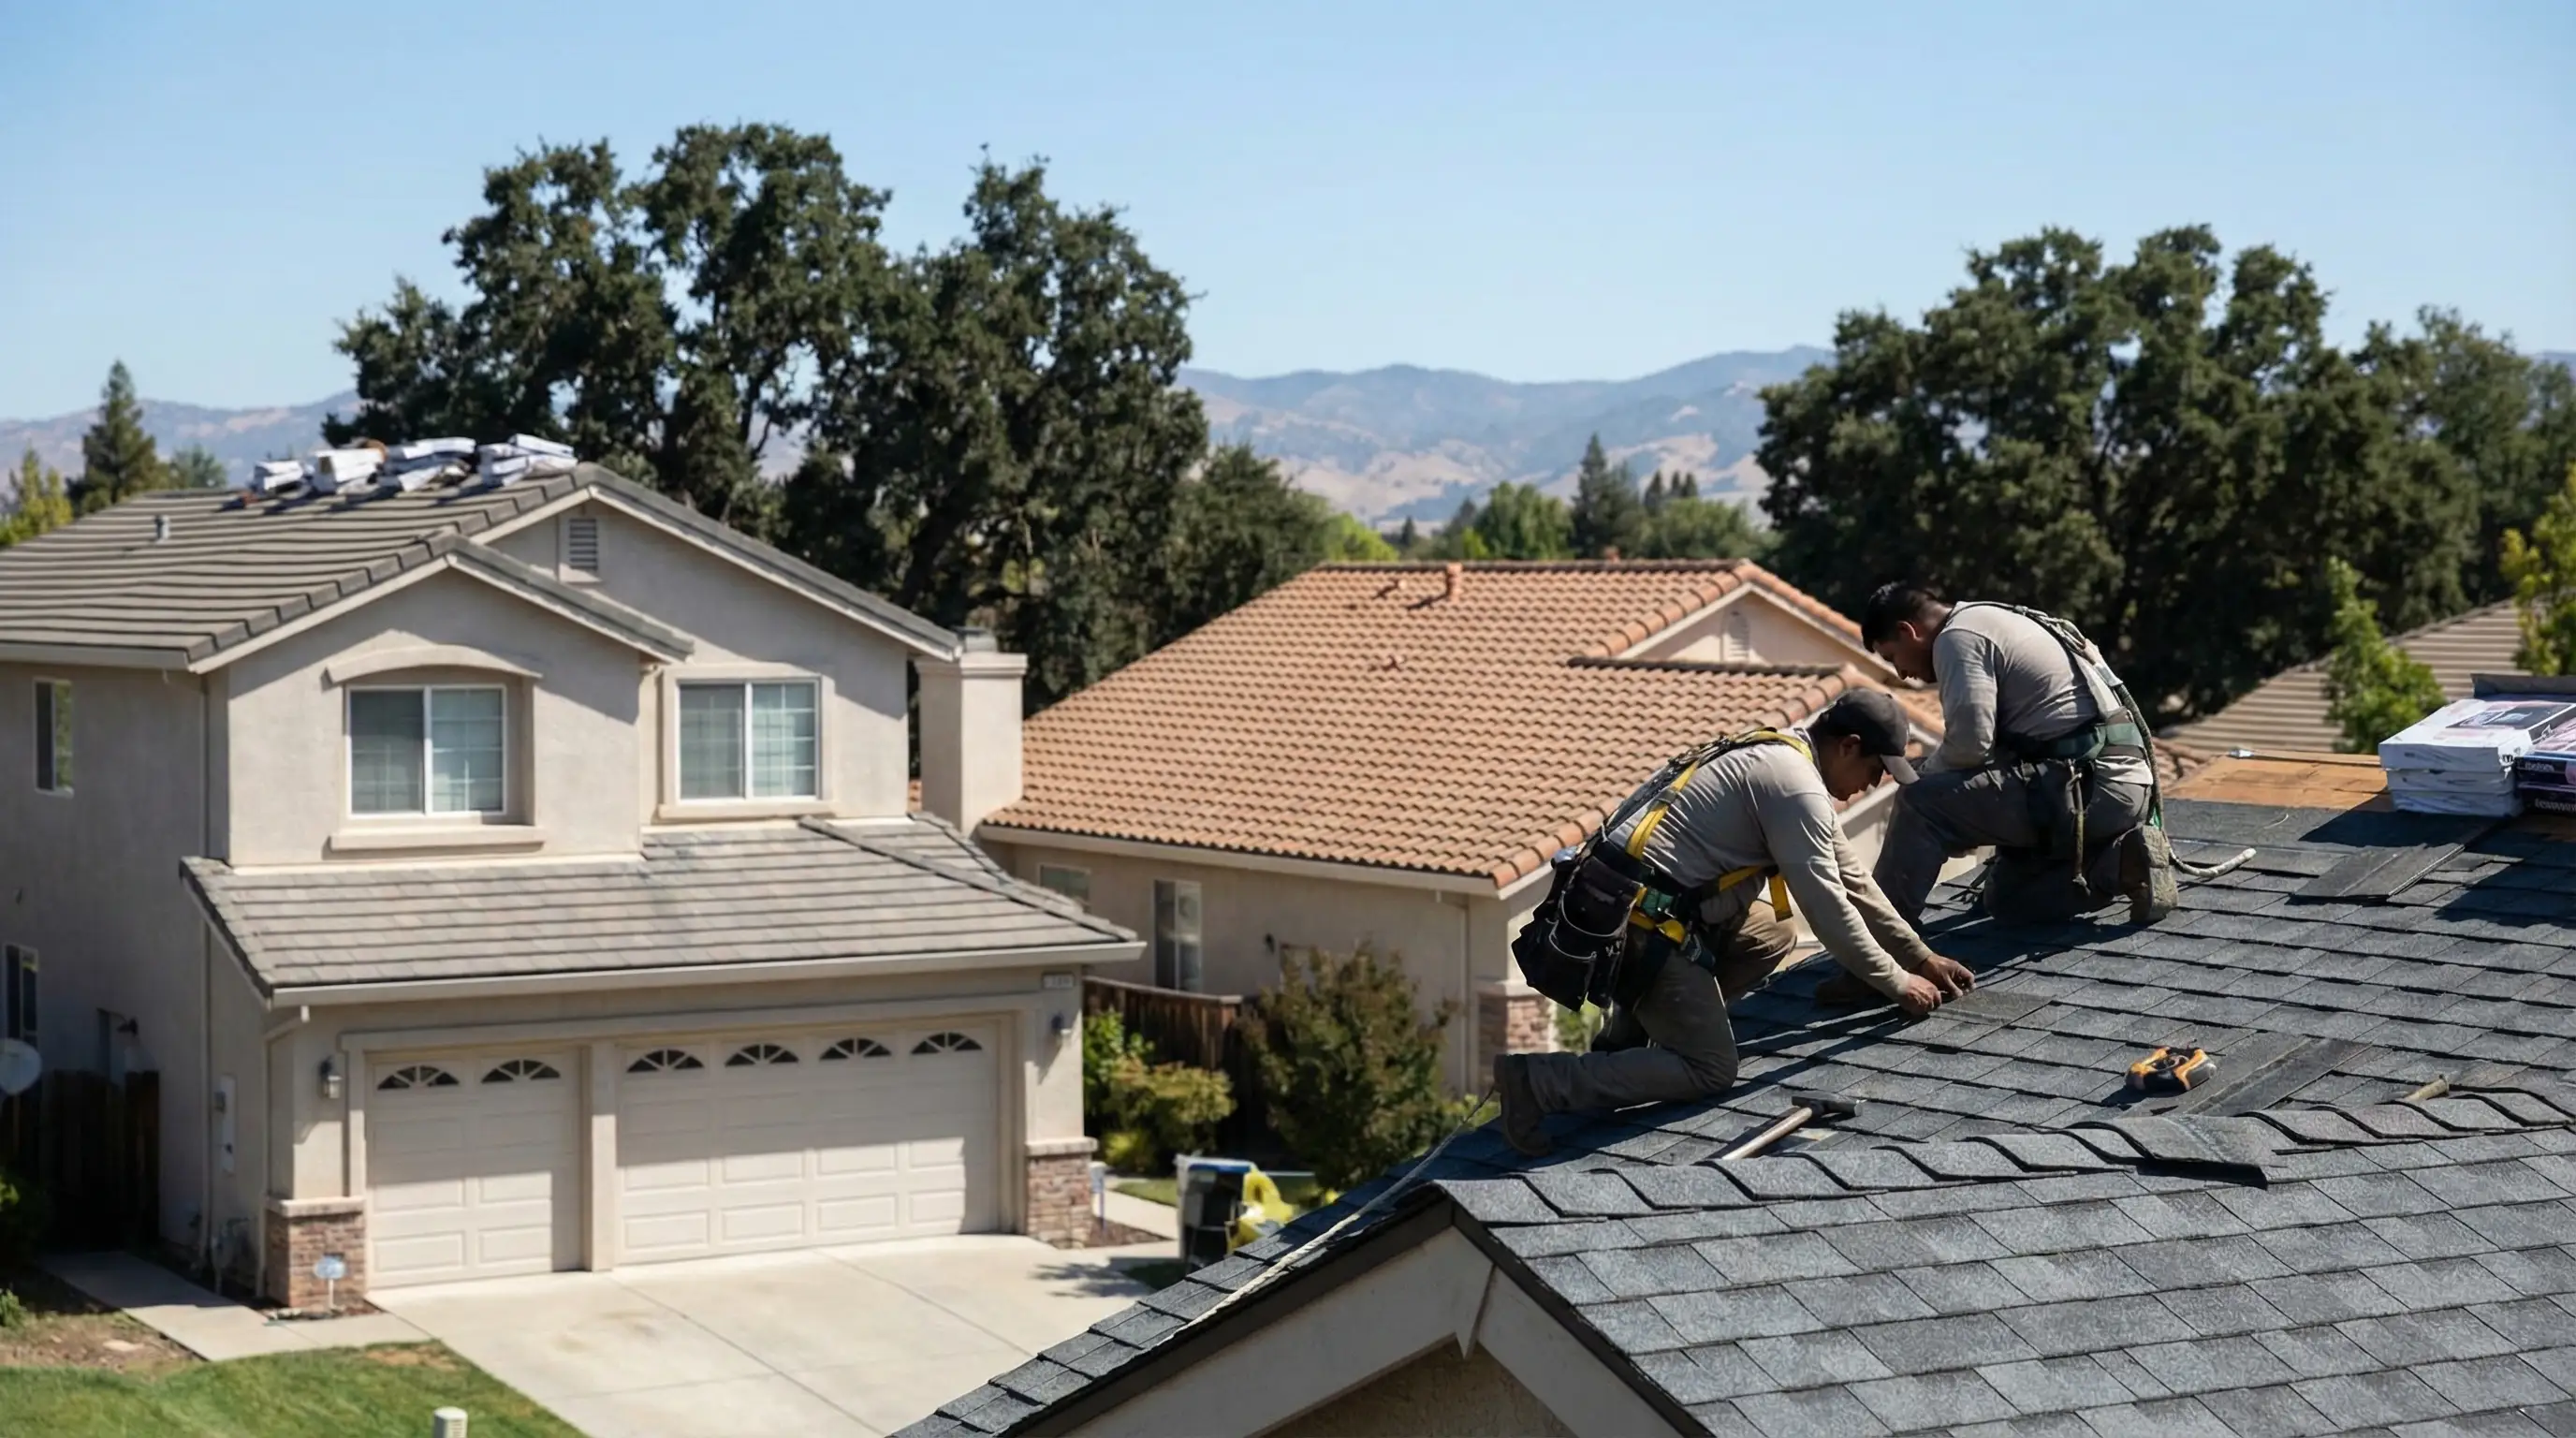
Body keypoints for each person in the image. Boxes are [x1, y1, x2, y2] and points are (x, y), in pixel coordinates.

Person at [1494, 689, 1975, 1155]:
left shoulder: (1784, 757)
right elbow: (1827, 907)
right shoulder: (1794, 785)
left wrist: (1921, 956)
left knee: (1773, 933)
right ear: (1848, 746)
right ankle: (1538, 1082)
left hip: (1639, 913)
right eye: (1874, 770)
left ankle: (1634, 1034)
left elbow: (1854, 882)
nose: (1873, 786)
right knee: (1710, 1069)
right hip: (1637, 928)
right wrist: (1897, 984)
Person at [1861, 582, 2178, 929]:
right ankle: (2122, 864)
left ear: (1909, 631)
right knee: (2008, 900)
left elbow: (1969, 745)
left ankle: (1881, 935)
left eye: (1893, 657)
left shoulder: (1958, 638)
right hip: (2114, 788)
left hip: (2090, 787)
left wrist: (1923, 776)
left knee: (1918, 801)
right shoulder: (1990, 617)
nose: (1901, 673)